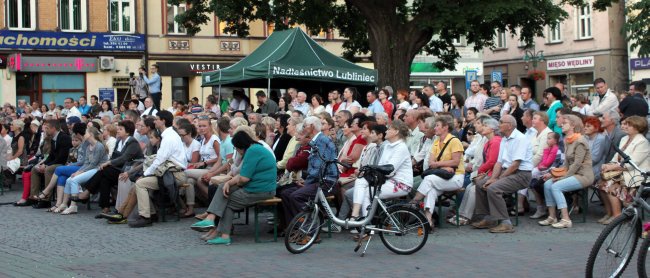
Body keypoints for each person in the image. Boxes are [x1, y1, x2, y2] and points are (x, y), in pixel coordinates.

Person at [190, 130, 277, 245]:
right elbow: (241, 175)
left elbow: (244, 178)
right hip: (257, 186)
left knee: (227, 201)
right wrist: (228, 183)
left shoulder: (252, 151)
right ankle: (212, 222)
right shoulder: (254, 148)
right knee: (222, 188)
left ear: (240, 146)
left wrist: (230, 183)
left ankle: (220, 231)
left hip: (260, 190)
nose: (236, 150)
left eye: (236, 148)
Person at [471, 115, 533, 233]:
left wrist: (497, 179)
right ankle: (489, 218)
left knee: (494, 188)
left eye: (501, 122)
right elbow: (499, 162)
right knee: (480, 184)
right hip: (508, 172)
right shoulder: (504, 138)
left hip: (521, 174)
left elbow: (515, 164)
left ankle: (506, 223)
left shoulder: (520, 138)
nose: (498, 124)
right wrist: (492, 177)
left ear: (509, 125)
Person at [280, 116, 338, 231]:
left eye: (305, 126)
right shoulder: (316, 141)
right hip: (318, 180)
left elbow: (318, 168)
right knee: (285, 193)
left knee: (296, 196)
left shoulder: (322, 141)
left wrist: (307, 182)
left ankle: (309, 231)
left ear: (311, 127)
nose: (303, 128)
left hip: (326, 181)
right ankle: (294, 229)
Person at [130, 110, 187, 227]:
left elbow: (159, 160)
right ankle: (151, 213)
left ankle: (146, 217)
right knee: (140, 182)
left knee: (140, 183)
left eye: (156, 119)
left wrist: (146, 173)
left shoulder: (169, 137)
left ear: (163, 121)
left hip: (173, 175)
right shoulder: (169, 135)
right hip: (169, 173)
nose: (154, 121)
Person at [349, 120, 413, 219]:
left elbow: (390, 170)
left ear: (396, 132)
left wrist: (372, 169)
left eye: (389, 129)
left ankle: (365, 223)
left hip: (400, 184)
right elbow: (381, 165)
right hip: (387, 180)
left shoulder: (401, 147)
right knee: (360, 180)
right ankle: (355, 215)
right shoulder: (387, 145)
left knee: (367, 193)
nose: (386, 131)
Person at [538, 114, 593, 229]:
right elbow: (566, 164)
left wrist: (563, 177)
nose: (561, 125)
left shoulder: (580, 141)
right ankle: (552, 216)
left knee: (556, 186)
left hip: (584, 175)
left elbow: (577, 164)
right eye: (562, 123)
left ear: (573, 125)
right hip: (573, 173)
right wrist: (553, 174)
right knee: (548, 184)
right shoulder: (567, 140)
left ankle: (566, 219)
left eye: (565, 123)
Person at [411, 115, 465, 228]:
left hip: (456, 177)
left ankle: (414, 202)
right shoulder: (436, 142)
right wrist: (443, 167)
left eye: (437, 125)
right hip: (441, 176)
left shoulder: (454, 141)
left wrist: (438, 165)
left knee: (429, 179)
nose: (434, 128)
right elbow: (431, 163)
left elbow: (455, 162)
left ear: (445, 127)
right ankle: (428, 221)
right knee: (430, 191)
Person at [81, 120, 143, 213]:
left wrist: (108, 163)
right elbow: (114, 157)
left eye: (120, 129)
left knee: (104, 170)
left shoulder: (132, 142)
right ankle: (105, 207)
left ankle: (88, 192)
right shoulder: (119, 141)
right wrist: (109, 163)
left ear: (127, 132)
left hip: (131, 170)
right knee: (104, 179)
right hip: (118, 169)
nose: (117, 131)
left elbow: (124, 158)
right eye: (118, 129)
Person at [597, 116, 650, 224]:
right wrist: (607, 165)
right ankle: (609, 213)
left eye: (628, 125)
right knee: (600, 183)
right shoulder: (624, 139)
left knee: (609, 184)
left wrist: (611, 167)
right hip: (622, 171)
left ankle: (617, 216)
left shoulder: (642, 142)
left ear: (637, 127)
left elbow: (632, 164)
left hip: (637, 174)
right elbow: (616, 157)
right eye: (624, 124)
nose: (624, 126)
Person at [29, 119, 73, 207]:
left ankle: (46, 200)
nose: (45, 130)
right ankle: (33, 197)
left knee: (48, 169)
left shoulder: (64, 137)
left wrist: (47, 165)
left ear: (53, 128)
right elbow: (51, 155)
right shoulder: (53, 138)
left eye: (47, 128)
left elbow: (62, 157)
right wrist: (43, 164)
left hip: (64, 164)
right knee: (35, 168)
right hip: (56, 162)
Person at [584, 116, 607, 182]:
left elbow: (594, 159)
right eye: (585, 126)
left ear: (596, 128)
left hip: (595, 170)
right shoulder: (586, 137)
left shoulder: (600, 139)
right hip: (585, 167)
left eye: (588, 126)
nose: (585, 128)